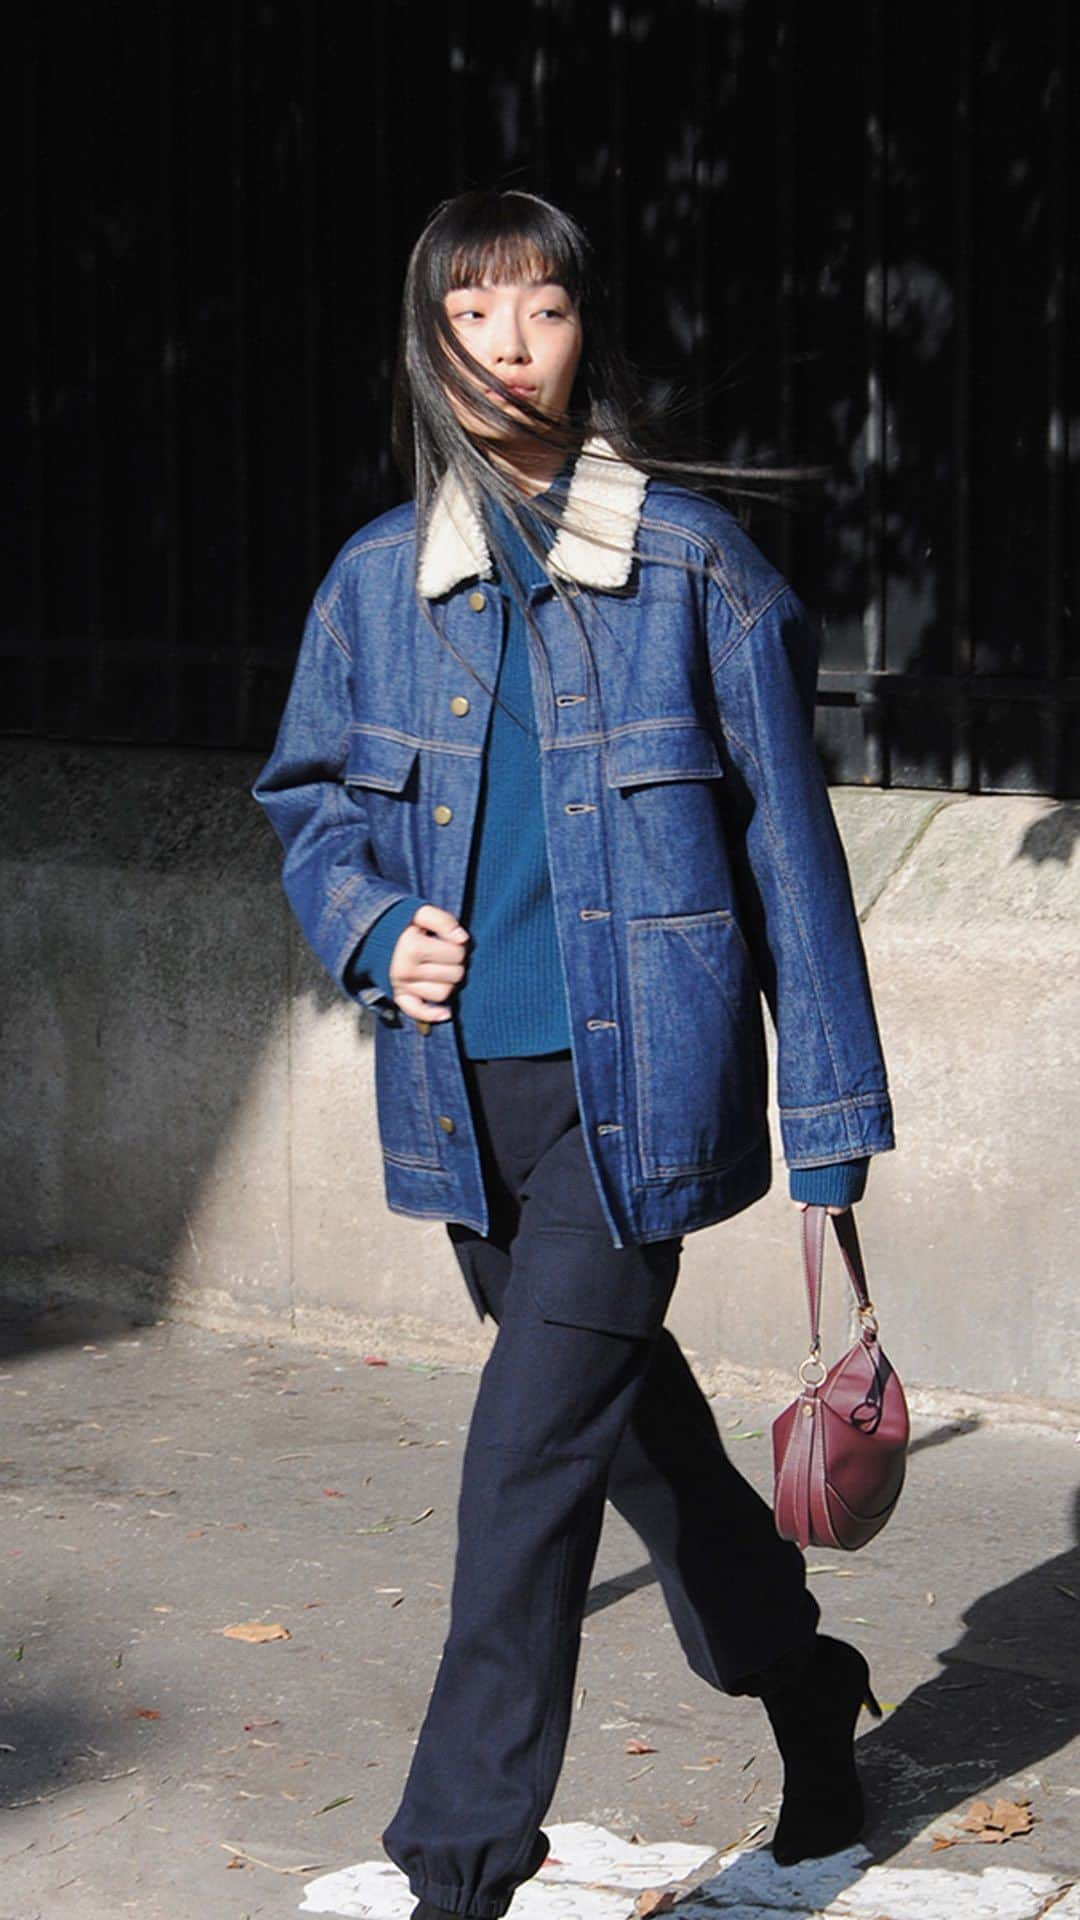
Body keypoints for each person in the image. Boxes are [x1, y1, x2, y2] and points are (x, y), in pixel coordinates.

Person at [253, 187, 895, 1915]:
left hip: (642, 1099)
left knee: (522, 1473)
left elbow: (790, 855)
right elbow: (311, 807)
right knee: (632, 1442)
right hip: (469, 1107)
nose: (507, 349)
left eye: (538, 312)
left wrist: (831, 1116)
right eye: (472, 317)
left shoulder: (690, 568)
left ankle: (458, 1862)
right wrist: (381, 929)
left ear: (582, 332)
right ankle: (810, 1690)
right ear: (428, 341)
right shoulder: (378, 586)